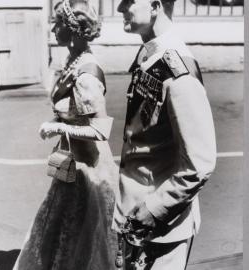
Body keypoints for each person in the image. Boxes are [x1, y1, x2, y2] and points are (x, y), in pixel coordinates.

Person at [13, 0, 118, 269]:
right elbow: (69, 110)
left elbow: (100, 130)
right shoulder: (72, 60)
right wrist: (58, 122)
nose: (52, 30)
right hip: (69, 156)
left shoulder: (86, 74)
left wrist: (57, 127)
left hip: (88, 167)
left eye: (57, 24)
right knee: (62, 224)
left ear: (71, 29)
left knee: (83, 232)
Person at [112, 0, 217, 269]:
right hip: (135, 216)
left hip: (161, 229)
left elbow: (200, 163)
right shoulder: (151, 54)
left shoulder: (177, 69)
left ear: (156, 5)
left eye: (129, 1)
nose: (120, 8)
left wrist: (154, 210)